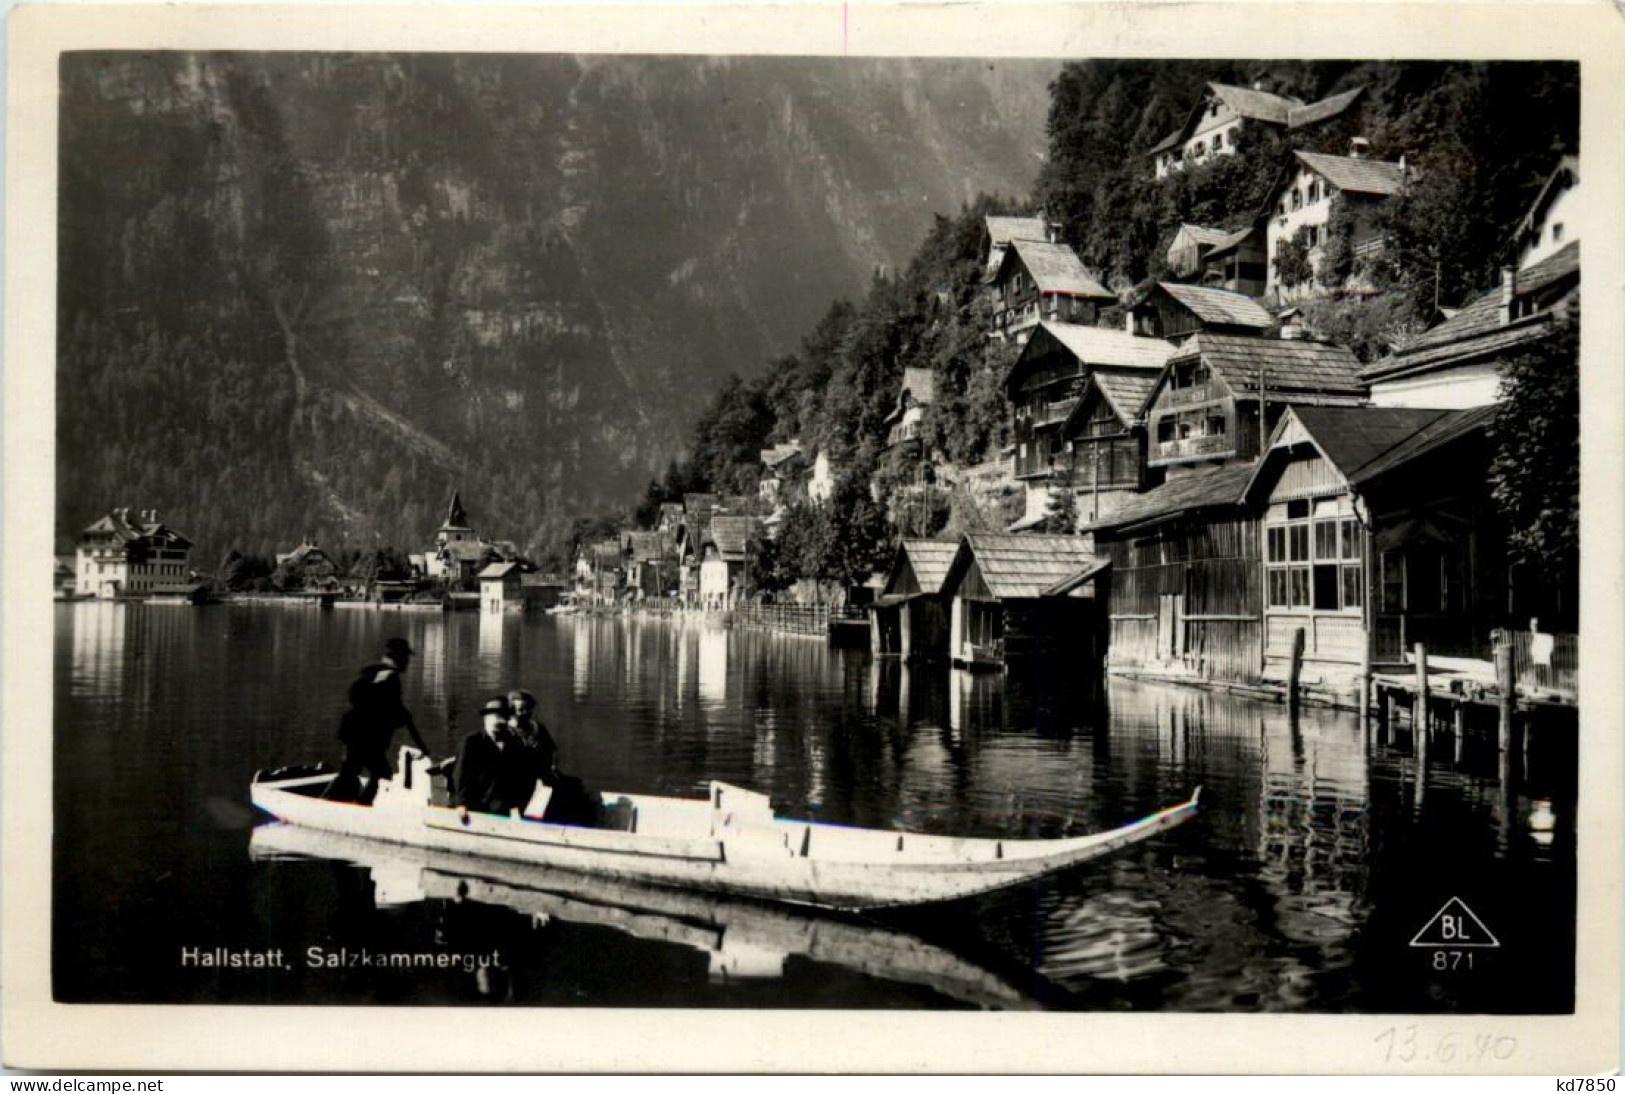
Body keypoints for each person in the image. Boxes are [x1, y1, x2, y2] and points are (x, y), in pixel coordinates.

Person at [325, 636, 431, 804]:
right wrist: (423, 748)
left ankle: (334, 802)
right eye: (405, 658)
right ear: (399, 657)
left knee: (351, 772)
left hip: (354, 733)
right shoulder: (390, 678)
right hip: (364, 737)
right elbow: (394, 712)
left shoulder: (375, 672)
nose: (407, 662)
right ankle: (361, 805)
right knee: (380, 774)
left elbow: (397, 712)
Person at [453, 696, 541, 818]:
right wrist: (461, 805)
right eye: (496, 717)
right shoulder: (471, 742)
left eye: (503, 717)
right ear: (486, 718)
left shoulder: (515, 743)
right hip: (475, 802)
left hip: (501, 804)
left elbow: (523, 777)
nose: (500, 721)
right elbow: (461, 775)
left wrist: (519, 806)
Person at [506, 689, 559, 785]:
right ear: (511, 711)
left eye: (528, 708)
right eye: (521, 710)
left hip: (540, 777)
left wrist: (553, 767)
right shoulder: (505, 731)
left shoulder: (538, 728)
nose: (525, 712)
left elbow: (552, 751)